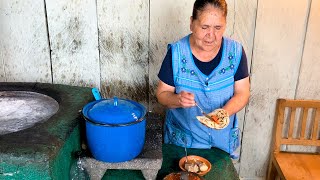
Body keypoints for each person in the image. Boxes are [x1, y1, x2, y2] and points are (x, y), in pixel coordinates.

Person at [156, 0, 250, 157]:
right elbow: (162, 94)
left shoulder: (235, 52)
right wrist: (178, 100)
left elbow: (243, 93)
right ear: (192, 23)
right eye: (204, 27)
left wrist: (222, 114)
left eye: (218, 28)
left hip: (221, 144)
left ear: (225, 25)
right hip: (183, 145)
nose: (211, 36)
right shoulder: (176, 53)